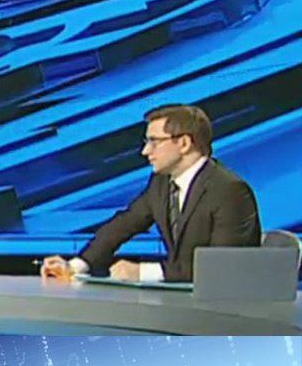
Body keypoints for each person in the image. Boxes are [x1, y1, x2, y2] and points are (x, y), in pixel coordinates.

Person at [40, 104, 260, 283]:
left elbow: (222, 268)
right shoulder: (161, 183)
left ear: (184, 143)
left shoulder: (229, 191)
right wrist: (77, 265)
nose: (146, 151)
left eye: (154, 141)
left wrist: (143, 272)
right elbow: (125, 223)